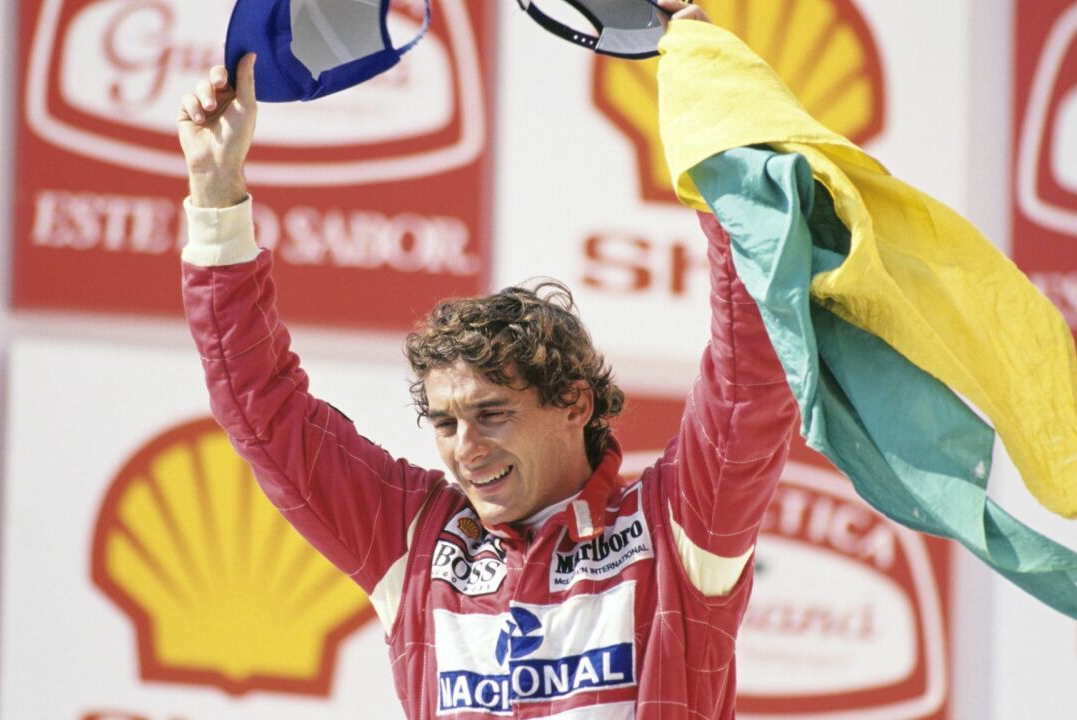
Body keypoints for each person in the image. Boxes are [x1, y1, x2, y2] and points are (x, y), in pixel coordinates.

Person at [176, 2, 796, 717]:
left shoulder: (676, 526)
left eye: (491, 414)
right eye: (445, 423)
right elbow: (260, 407)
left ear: (575, 402)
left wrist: (712, 105)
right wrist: (215, 194)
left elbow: (751, 375)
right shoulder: (414, 538)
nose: (465, 449)